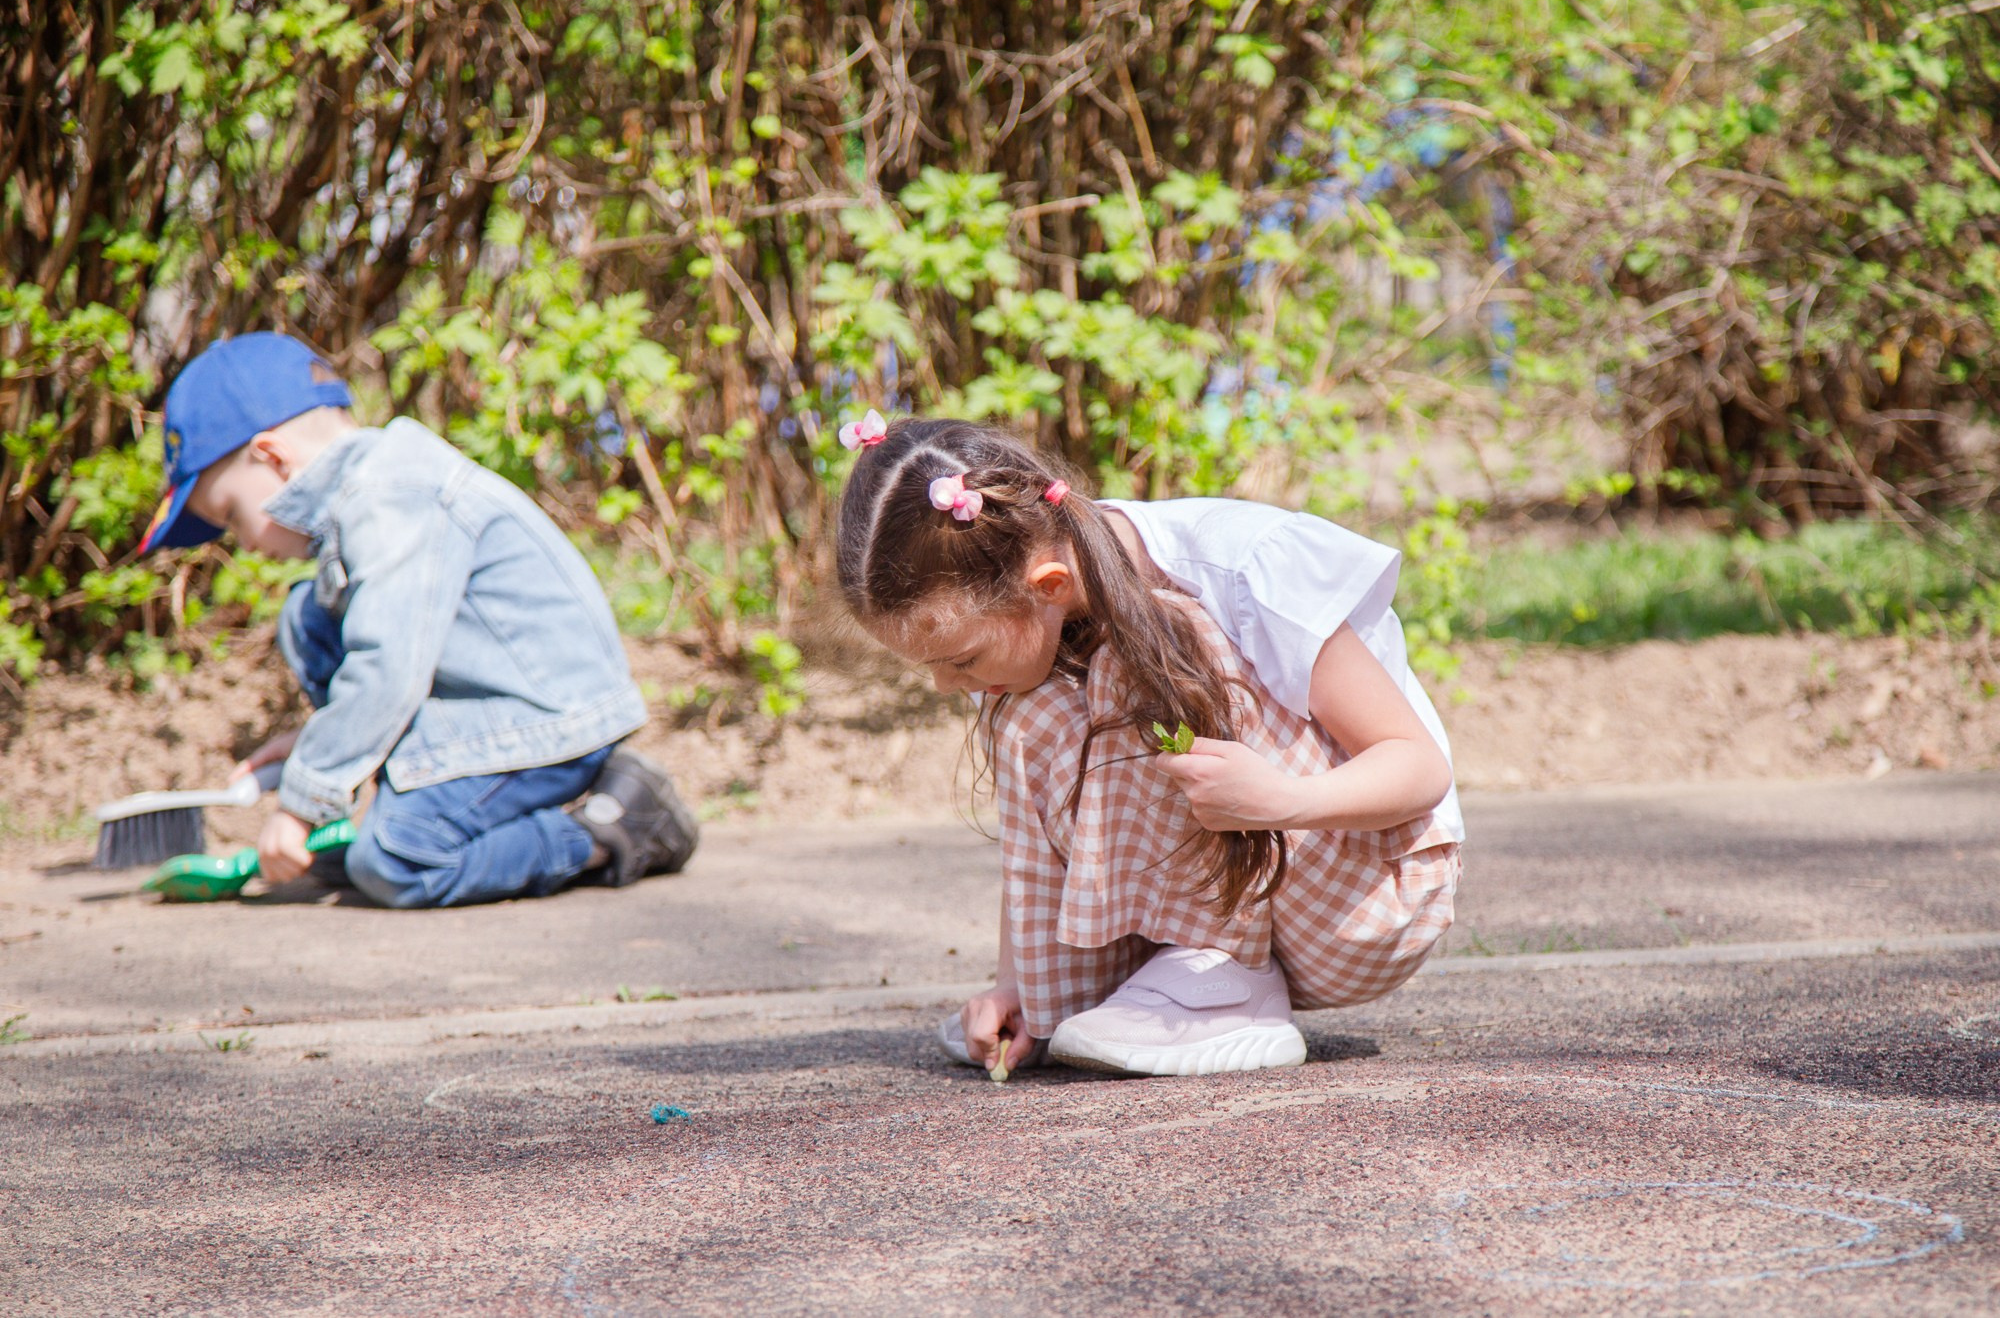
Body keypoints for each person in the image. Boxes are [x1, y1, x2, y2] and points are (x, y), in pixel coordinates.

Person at [834, 412, 1462, 1077]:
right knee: (1028, 710)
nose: (943, 684)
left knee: (1153, 645)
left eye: (958, 660)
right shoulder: (1014, 613)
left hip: (1363, 895)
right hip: (1232, 891)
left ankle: (1226, 985)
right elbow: (1031, 812)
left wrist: (1282, 798)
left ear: (1047, 585)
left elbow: (1420, 767)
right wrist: (1015, 984)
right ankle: (1128, 985)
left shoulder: (1234, 566)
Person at [137, 332, 697, 907]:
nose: (243, 543)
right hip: (493, 705)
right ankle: (416, 810)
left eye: (231, 515)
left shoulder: (393, 497)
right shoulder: (369, 496)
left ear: (274, 458)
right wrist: (319, 745)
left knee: (396, 861)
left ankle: (613, 826)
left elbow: (388, 665)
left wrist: (304, 804)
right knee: (309, 616)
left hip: (552, 718)